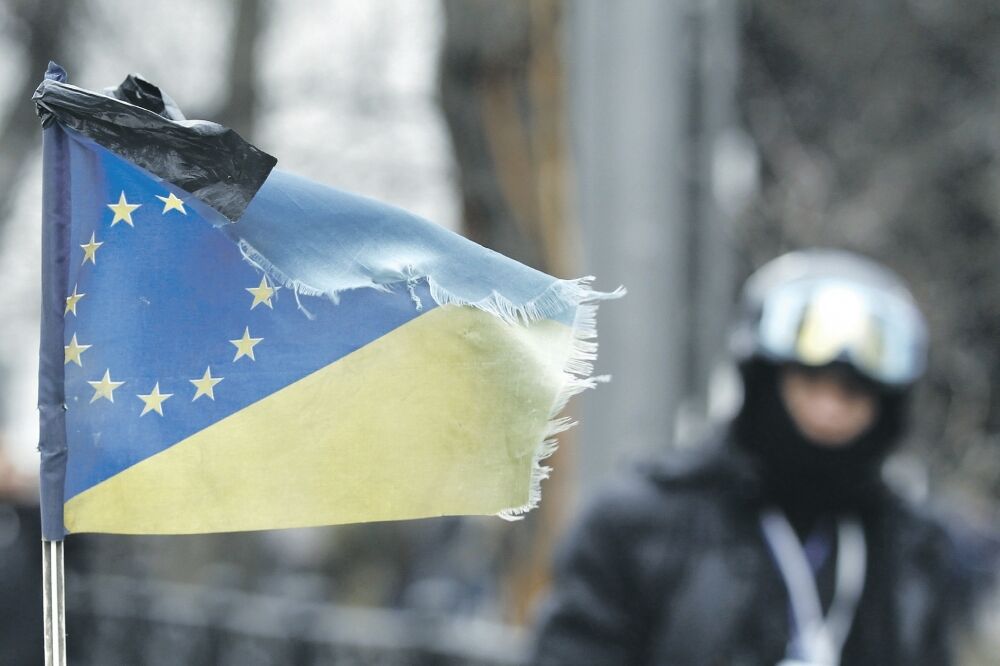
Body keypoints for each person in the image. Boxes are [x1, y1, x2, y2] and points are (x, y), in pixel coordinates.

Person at [531, 249, 990, 665]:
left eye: (853, 392)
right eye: (810, 381)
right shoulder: (641, 524)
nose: (829, 410)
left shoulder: (913, 548)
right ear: (765, 383)